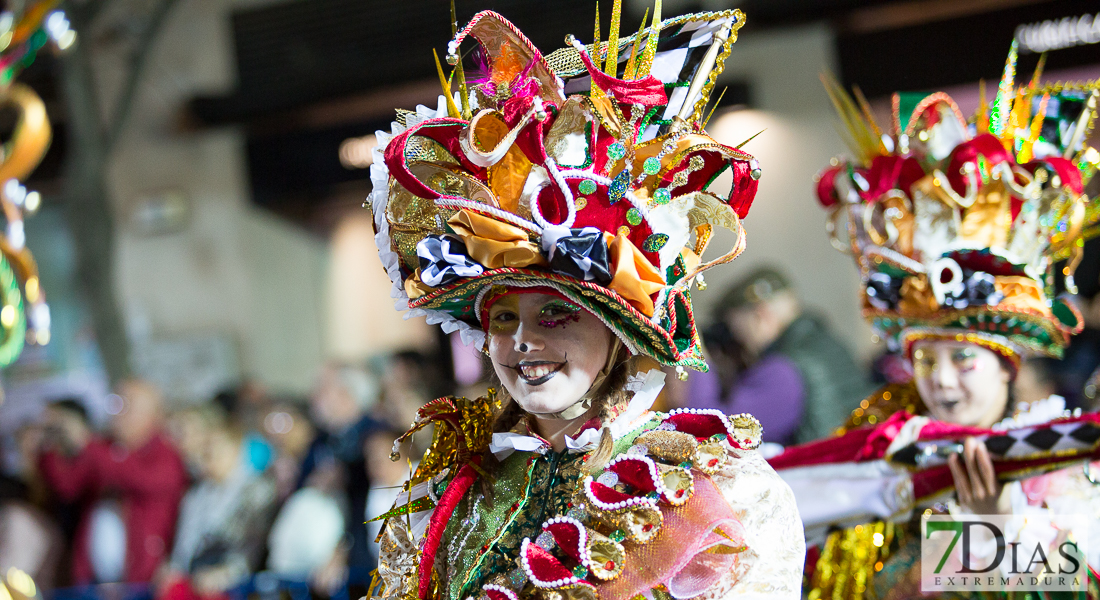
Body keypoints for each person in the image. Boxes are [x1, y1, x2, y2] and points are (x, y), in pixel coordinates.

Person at [369, 6, 804, 599]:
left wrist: (979, 534)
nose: (523, 340)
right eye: (504, 317)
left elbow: (967, 577)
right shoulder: (448, 492)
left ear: (617, 328)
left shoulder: (721, 489)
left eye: (557, 312)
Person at [778, 74, 1100, 598]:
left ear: (1007, 366)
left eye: (964, 361)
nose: (942, 382)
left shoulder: (1055, 460)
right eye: (926, 362)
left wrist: (995, 531)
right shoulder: (882, 448)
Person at [688, 267, 872, 444]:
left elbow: (710, 429)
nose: (738, 341)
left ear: (761, 316)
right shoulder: (826, 345)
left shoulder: (783, 370)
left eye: (736, 329)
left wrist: (695, 353)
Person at [37, 379, 188, 585]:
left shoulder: (165, 454)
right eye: (115, 403)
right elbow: (68, 486)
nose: (117, 413)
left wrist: (87, 444)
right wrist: (50, 445)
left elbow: (138, 478)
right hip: (97, 581)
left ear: (152, 415)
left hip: (144, 580)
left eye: (127, 405)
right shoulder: (105, 448)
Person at [160, 416, 276, 600]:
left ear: (236, 451)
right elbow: (185, 543)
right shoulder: (196, 495)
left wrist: (225, 575)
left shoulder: (256, 492)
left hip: (233, 586)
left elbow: (252, 548)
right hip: (194, 579)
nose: (209, 460)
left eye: (216, 453)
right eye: (206, 453)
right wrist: (174, 569)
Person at [298, 363, 382, 588]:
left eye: (323, 391)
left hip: (368, 553)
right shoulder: (323, 440)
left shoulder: (376, 436)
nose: (315, 398)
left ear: (346, 395)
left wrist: (343, 550)